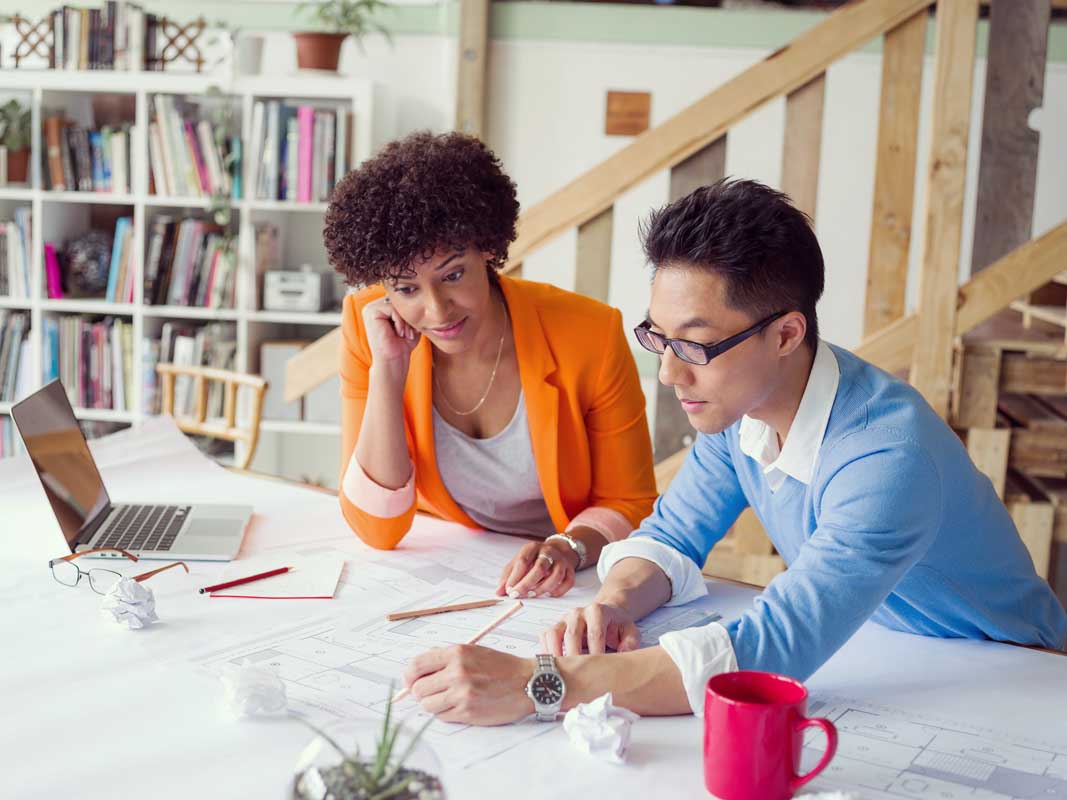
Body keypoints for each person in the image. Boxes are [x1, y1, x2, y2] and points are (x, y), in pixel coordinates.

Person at [400, 178, 1067, 725]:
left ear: (784, 334)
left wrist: (538, 684)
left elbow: (762, 653)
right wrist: (618, 601)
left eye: (694, 346)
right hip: (879, 649)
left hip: (1008, 680)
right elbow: (672, 533)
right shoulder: (739, 408)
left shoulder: (885, 458)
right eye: (658, 339)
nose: (668, 375)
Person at [324, 131, 657, 599]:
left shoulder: (589, 334)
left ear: (487, 249)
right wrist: (387, 373)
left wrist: (567, 547)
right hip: (455, 568)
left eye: (453, 275)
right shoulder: (369, 330)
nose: (437, 311)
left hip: (569, 575)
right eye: (406, 289)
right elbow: (378, 530)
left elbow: (630, 501)